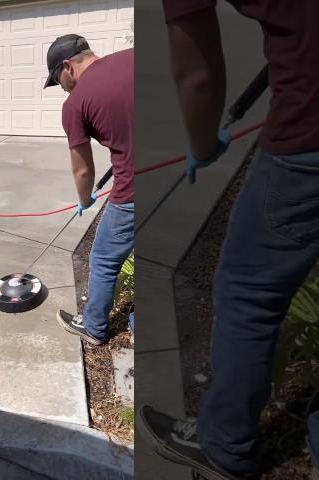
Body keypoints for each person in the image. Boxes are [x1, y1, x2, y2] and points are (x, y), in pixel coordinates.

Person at [138, 2, 319, 480]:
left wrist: (202, 145)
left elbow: (196, 74)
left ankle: (224, 449)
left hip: (308, 144)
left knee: (247, 297)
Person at [43, 34, 134, 346]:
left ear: (67, 66)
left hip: (135, 190)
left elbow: (83, 169)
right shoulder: (134, 57)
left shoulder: (76, 104)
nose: (63, 88)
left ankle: (94, 327)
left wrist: (85, 198)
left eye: (58, 80)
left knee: (105, 259)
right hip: (180, 173)